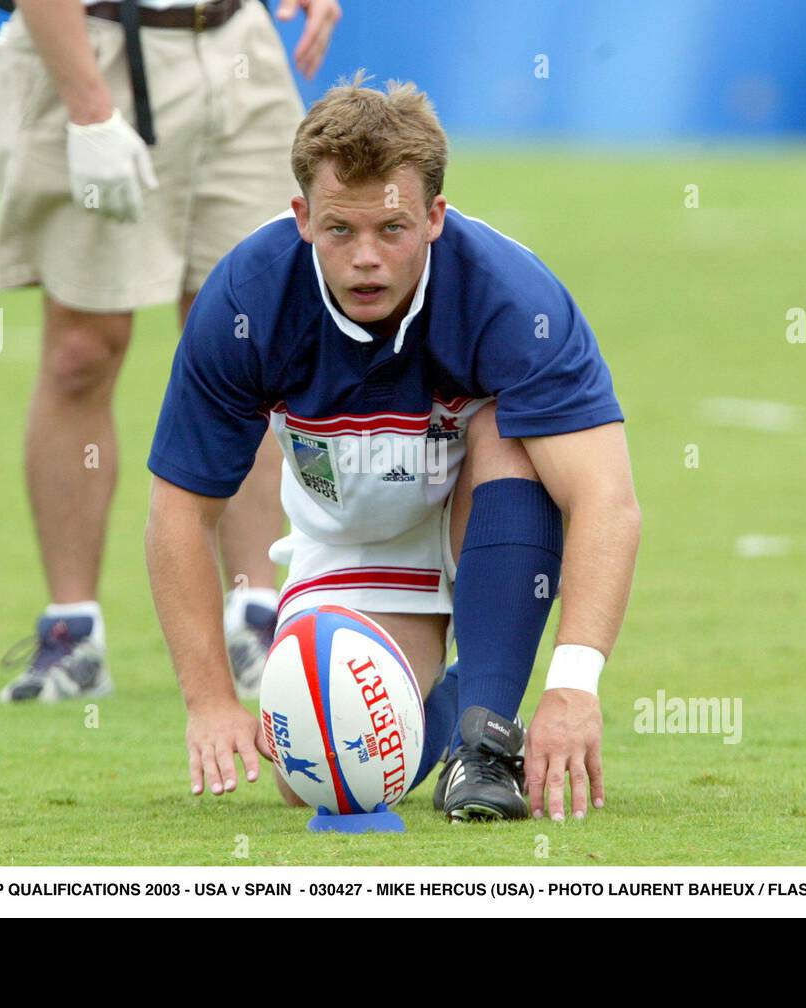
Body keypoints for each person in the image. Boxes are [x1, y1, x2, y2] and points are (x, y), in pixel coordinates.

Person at [145, 73, 641, 822]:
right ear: (302, 216)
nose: (366, 258)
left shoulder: (511, 296)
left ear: (435, 217)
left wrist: (573, 684)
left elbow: (606, 498)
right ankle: (441, 712)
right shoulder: (247, 300)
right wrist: (211, 701)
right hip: (350, 535)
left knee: (511, 433)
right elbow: (179, 513)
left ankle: (485, 738)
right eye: (340, 229)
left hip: (478, 501)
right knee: (326, 774)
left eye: (392, 228)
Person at [0, 0, 342, 703]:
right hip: (93, 46)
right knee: (82, 349)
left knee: (256, 337)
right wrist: (88, 107)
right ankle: (73, 632)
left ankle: (259, 613)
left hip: (236, 49)